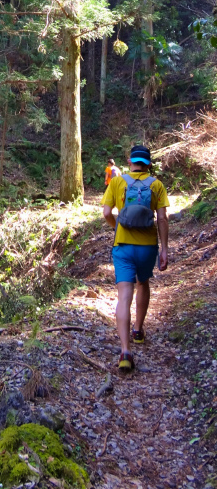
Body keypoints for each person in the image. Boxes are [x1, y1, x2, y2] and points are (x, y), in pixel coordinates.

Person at [102, 145, 169, 371]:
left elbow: (105, 213)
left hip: (123, 246)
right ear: (149, 163)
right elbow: (162, 219)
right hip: (147, 246)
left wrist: (117, 227)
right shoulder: (157, 185)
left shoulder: (117, 182)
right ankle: (138, 330)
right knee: (143, 283)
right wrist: (165, 249)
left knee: (124, 297)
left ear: (130, 161)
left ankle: (125, 351)